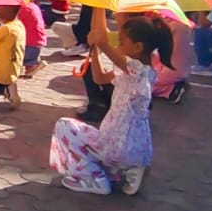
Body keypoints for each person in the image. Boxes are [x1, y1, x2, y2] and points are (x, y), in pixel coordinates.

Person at [49, 10, 171, 195]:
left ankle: (94, 179)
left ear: (137, 47)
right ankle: (126, 170)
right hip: (126, 145)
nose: (119, 45)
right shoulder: (134, 72)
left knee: (64, 126)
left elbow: (104, 41)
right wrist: (95, 50)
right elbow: (99, 78)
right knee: (84, 135)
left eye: (122, 42)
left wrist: (99, 16)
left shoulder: (139, 71)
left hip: (117, 145)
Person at [18, 0, 48, 78]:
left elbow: (13, 21)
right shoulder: (33, 6)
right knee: (30, 57)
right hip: (37, 40)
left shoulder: (23, 8)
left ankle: (33, 65)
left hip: (29, 41)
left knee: (17, 57)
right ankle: (33, 65)